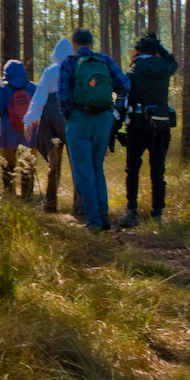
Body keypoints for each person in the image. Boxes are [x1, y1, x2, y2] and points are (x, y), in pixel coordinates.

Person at [55, 29, 130, 231]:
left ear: (74, 45)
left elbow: (62, 97)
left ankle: (94, 220)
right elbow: (125, 84)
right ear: (92, 43)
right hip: (104, 120)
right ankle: (103, 215)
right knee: (97, 167)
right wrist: (109, 102)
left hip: (79, 120)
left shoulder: (68, 63)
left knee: (83, 170)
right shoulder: (105, 61)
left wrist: (70, 116)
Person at [118, 33, 178, 226]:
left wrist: (117, 126)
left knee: (133, 169)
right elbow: (174, 62)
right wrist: (161, 48)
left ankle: (132, 211)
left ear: (139, 50)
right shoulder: (165, 67)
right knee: (158, 169)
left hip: (137, 126)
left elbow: (123, 98)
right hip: (160, 124)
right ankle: (157, 213)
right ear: (155, 51)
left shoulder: (134, 69)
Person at [25, 38, 75, 213]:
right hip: (72, 119)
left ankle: (51, 204)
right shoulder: (75, 69)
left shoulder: (49, 71)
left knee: (53, 164)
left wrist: (29, 120)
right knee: (77, 164)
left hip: (50, 122)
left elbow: (39, 99)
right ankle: (80, 206)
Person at [0, 58, 38, 196]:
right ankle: (27, 194)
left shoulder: (4, 88)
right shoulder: (32, 87)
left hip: (9, 130)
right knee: (28, 162)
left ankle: (9, 192)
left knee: (8, 162)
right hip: (29, 130)